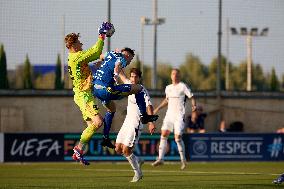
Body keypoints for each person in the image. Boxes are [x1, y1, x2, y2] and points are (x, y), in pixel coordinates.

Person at [65, 22, 114, 165]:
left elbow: (93, 63)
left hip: (82, 94)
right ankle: (78, 149)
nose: (81, 44)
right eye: (79, 43)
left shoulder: (75, 59)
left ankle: (78, 152)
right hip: (84, 95)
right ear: (74, 45)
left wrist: (105, 60)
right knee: (98, 122)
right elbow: (95, 51)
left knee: (91, 126)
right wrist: (101, 36)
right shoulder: (77, 56)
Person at [92, 47, 159, 148]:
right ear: (127, 55)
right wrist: (115, 75)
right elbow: (118, 66)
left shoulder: (110, 54)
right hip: (107, 90)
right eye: (130, 59)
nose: (129, 62)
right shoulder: (122, 58)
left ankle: (105, 138)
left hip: (96, 89)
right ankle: (144, 116)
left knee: (111, 109)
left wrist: (99, 64)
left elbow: (101, 57)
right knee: (139, 88)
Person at [115, 68, 156, 182]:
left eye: (135, 77)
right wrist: (118, 65)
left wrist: (151, 122)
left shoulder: (142, 90)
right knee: (118, 148)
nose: (133, 79)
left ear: (139, 78)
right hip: (127, 122)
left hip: (136, 123)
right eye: (132, 76)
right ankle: (138, 160)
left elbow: (149, 106)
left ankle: (138, 173)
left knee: (126, 150)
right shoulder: (129, 84)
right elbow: (122, 75)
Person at [151, 68, 197, 170]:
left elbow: (192, 97)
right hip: (169, 116)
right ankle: (160, 159)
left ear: (179, 76)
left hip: (179, 116)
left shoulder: (183, 86)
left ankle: (183, 160)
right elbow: (167, 100)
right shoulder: (168, 88)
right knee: (163, 134)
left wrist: (194, 107)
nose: (175, 76)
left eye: (176, 74)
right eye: (173, 74)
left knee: (178, 138)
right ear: (171, 76)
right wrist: (157, 108)